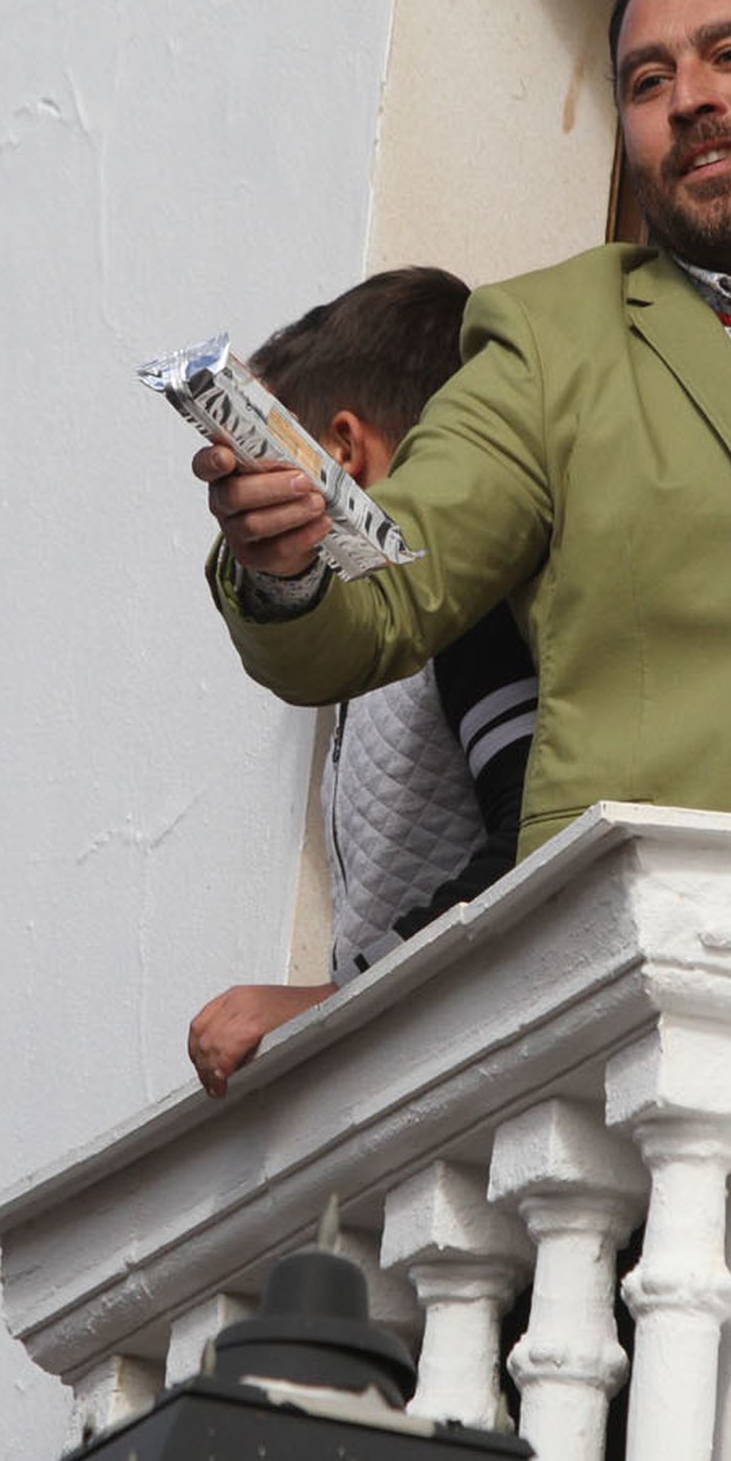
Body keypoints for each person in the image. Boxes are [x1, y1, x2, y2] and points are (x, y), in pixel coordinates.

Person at [194, 0, 731, 868]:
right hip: (683, 957)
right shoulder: (554, 338)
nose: (690, 98)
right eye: (648, 82)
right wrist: (287, 569)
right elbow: (385, 593)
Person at [187, 267, 538, 1097]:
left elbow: (532, 834)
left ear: (342, 450)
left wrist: (329, 1001)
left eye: (265, 460)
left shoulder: (465, 617)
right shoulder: (366, 660)